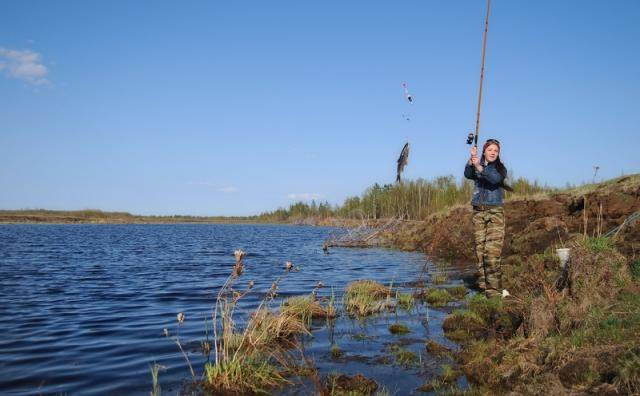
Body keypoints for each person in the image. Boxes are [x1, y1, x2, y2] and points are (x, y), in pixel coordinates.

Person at [464, 138, 507, 298]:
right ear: (484, 151)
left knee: (491, 254)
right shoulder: (477, 166)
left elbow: (494, 179)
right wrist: (471, 159)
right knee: (480, 252)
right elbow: (468, 174)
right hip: (478, 212)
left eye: (496, 151)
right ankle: (484, 288)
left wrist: (479, 166)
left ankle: (494, 293)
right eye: (490, 150)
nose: (493, 152)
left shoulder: (500, 169)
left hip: (495, 212)